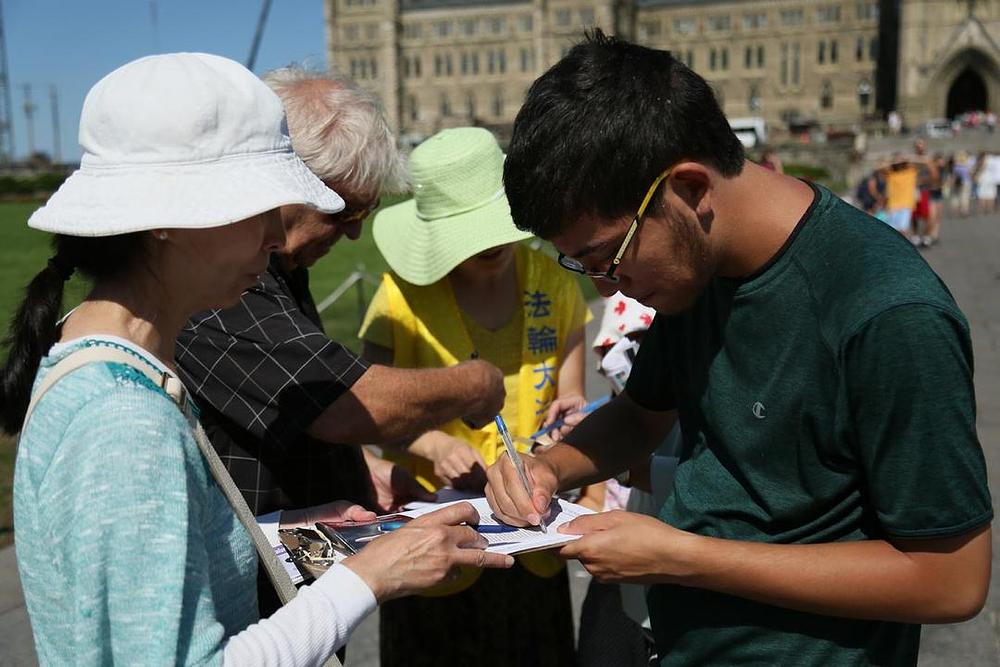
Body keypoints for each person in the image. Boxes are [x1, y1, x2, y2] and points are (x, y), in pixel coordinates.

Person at [486, 32, 992, 666]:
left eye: (606, 258)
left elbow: (951, 578)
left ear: (692, 190)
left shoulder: (888, 314)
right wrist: (553, 467)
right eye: (576, 264)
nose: (606, 287)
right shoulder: (696, 270)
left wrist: (682, 556)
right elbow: (644, 414)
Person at [3, 53, 513, 666]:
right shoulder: (123, 422)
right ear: (171, 218)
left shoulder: (123, 374)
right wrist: (369, 577)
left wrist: (303, 529)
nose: (277, 239)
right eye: (261, 207)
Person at [174, 68, 507, 616]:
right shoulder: (223, 276)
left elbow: (290, 402)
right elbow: (348, 406)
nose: (353, 233)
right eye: (346, 211)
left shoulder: (278, 264)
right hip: (245, 604)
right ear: (291, 178)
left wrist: (360, 472)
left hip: (285, 577)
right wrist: (475, 383)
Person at [358, 126, 588, 666]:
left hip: (532, 544)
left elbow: (571, 395)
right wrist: (433, 446)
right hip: (434, 552)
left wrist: (569, 419)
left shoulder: (552, 284)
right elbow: (365, 409)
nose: (493, 245)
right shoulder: (399, 300)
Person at [884, 153, 919, 238]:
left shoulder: (911, 172)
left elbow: (926, 162)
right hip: (893, 205)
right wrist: (892, 161)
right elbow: (878, 167)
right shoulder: (891, 173)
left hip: (906, 205)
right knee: (892, 231)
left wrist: (907, 159)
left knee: (903, 231)